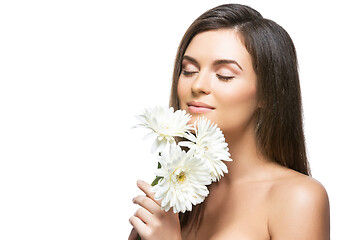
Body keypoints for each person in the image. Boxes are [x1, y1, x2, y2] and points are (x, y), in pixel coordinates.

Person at [128, 3, 330, 240]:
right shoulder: (175, 191)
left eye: (224, 75)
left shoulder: (298, 198)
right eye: (189, 70)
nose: (198, 85)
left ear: (267, 93)